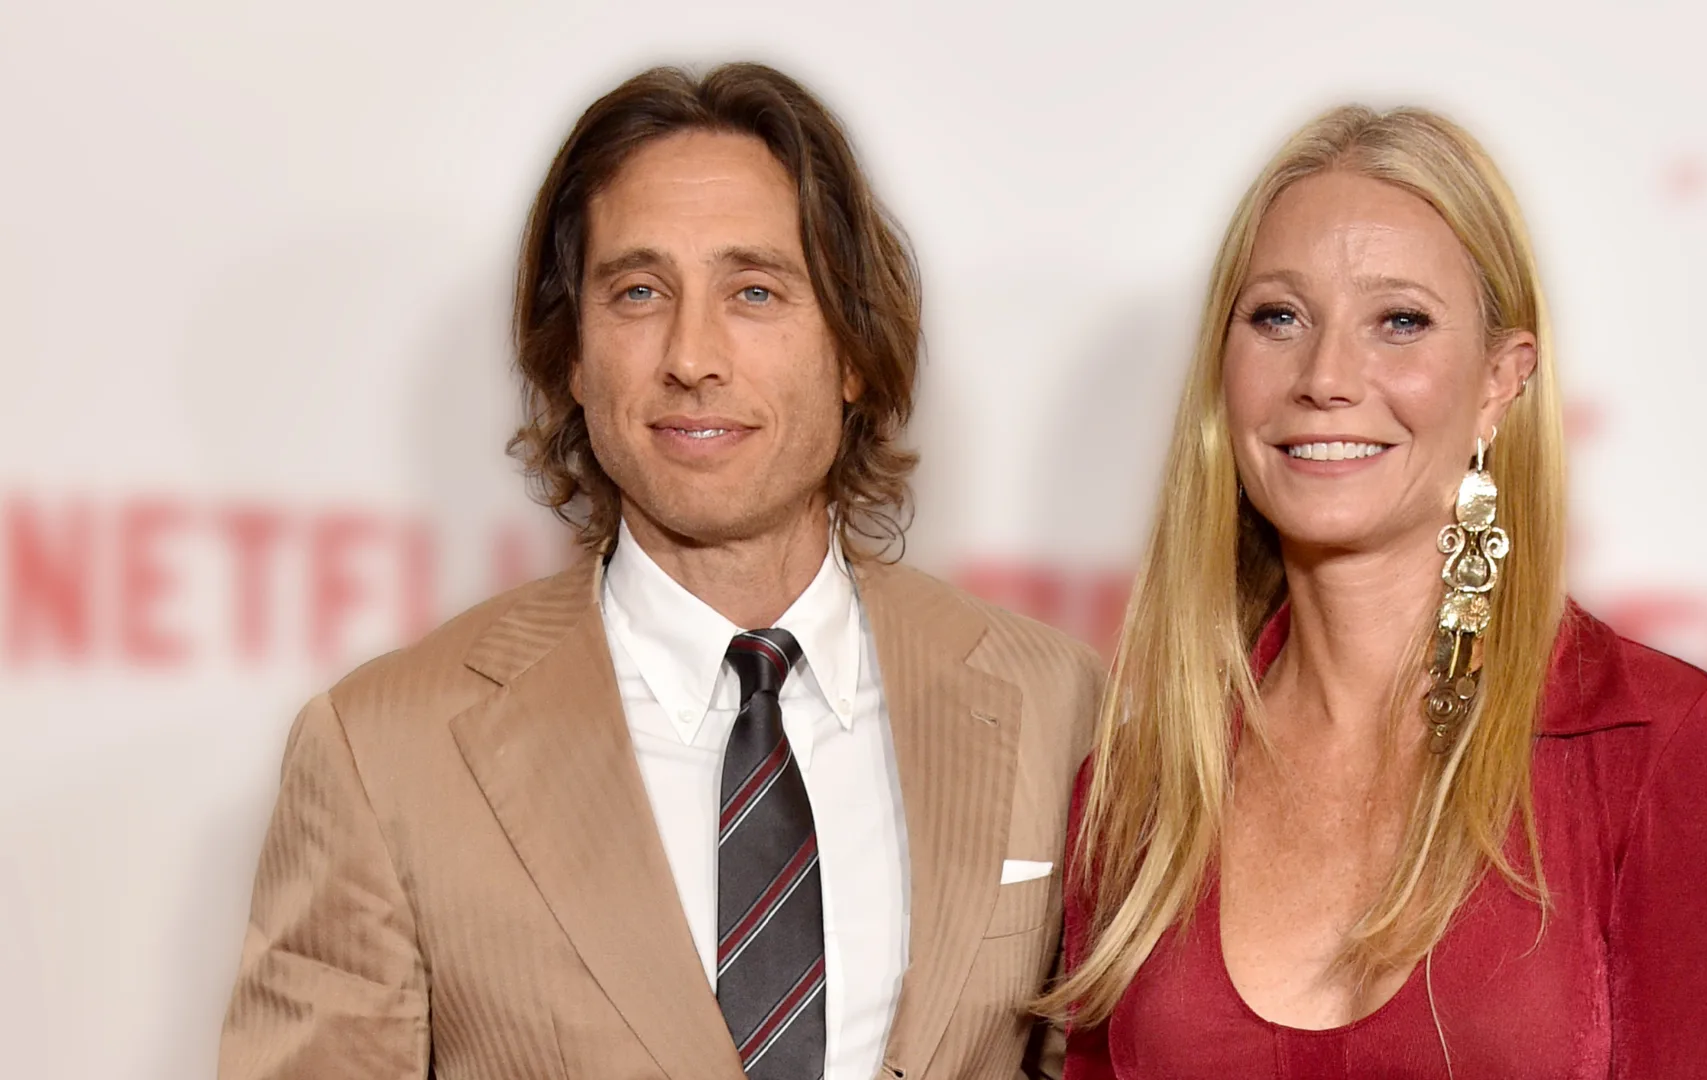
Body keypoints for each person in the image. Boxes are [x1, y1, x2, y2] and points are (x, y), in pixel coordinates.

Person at [219, 62, 1102, 1080]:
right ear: (575, 358)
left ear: (853, 349)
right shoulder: (382, 755)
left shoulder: (1057, 707)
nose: (692, 355)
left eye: (755, 290)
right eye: (639, 292)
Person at [1040, 105, 1707, 1078]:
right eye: (1278, 318)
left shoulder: (1643, 742)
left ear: (1500, 383)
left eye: (1401, 321)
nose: (1327, 376)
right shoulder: (1141, 786)